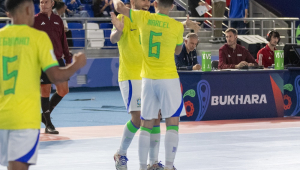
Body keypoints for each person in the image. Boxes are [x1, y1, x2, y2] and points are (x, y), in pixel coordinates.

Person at [110, 0, 198, 169]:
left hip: (147, 76)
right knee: (138, 119)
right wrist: (118, 31)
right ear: (133, 1)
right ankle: (121, 153)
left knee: (154, 119)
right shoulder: (125, 17)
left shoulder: (146, 18)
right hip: (130, 75)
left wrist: (183, 24)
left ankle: (153, 163)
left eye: (148, 0)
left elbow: (163, 26)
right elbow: (113, 38)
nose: (146, 2)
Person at [0, 0, 86, 170]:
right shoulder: (37, 38)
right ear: (28, 9)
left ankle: (46, 119)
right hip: (24, 117)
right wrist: (76, 65)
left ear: (8, 13)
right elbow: (56, 75)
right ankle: (47, 121)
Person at [34, 0, 72, 134]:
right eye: (41, 2)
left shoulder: (58, 20)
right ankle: (48, 124)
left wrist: (68, 58)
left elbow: (63, 41)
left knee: (64, 90)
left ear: (52, 3)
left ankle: (43, 116)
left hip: (58, 60)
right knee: (45, 91)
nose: (43, 4)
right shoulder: (35, 20)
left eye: (45, 2)